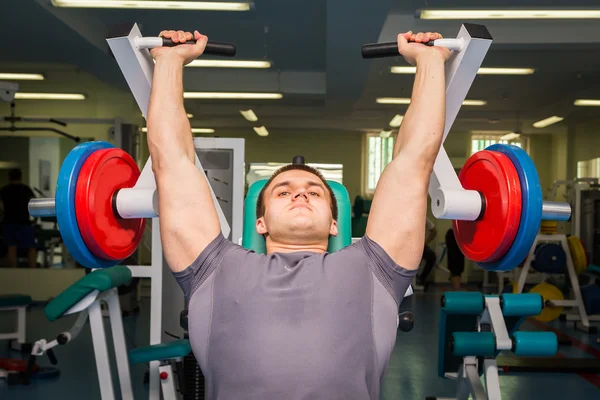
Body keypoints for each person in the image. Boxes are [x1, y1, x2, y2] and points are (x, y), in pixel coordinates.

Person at [147, 29, 450, 399]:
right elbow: (171, 163)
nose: (300, 194)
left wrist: (430, 62)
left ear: (334, 221)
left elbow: (414, 162)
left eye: (314, 192)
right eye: (283, 191)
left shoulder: (375, 269)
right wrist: (169, 61)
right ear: (260, 222)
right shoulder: (214, 268)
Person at [0, 168, 37, 268]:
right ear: (20, 176)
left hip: (9, 222)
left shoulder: (4, 190)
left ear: (9, 177)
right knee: (31, 248)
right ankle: (33, 270)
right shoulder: (26, 189)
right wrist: (34, 219)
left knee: (11, 247)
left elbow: (1, 207)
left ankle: (13, 272)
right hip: (24, 223)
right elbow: (33, 204)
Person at [416, 217, 438, 286]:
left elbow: (434, 231)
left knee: (432, 257)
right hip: (409, 246)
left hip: (420, 246)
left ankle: (421, 278)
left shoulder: (424, 218)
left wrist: (427, 242)